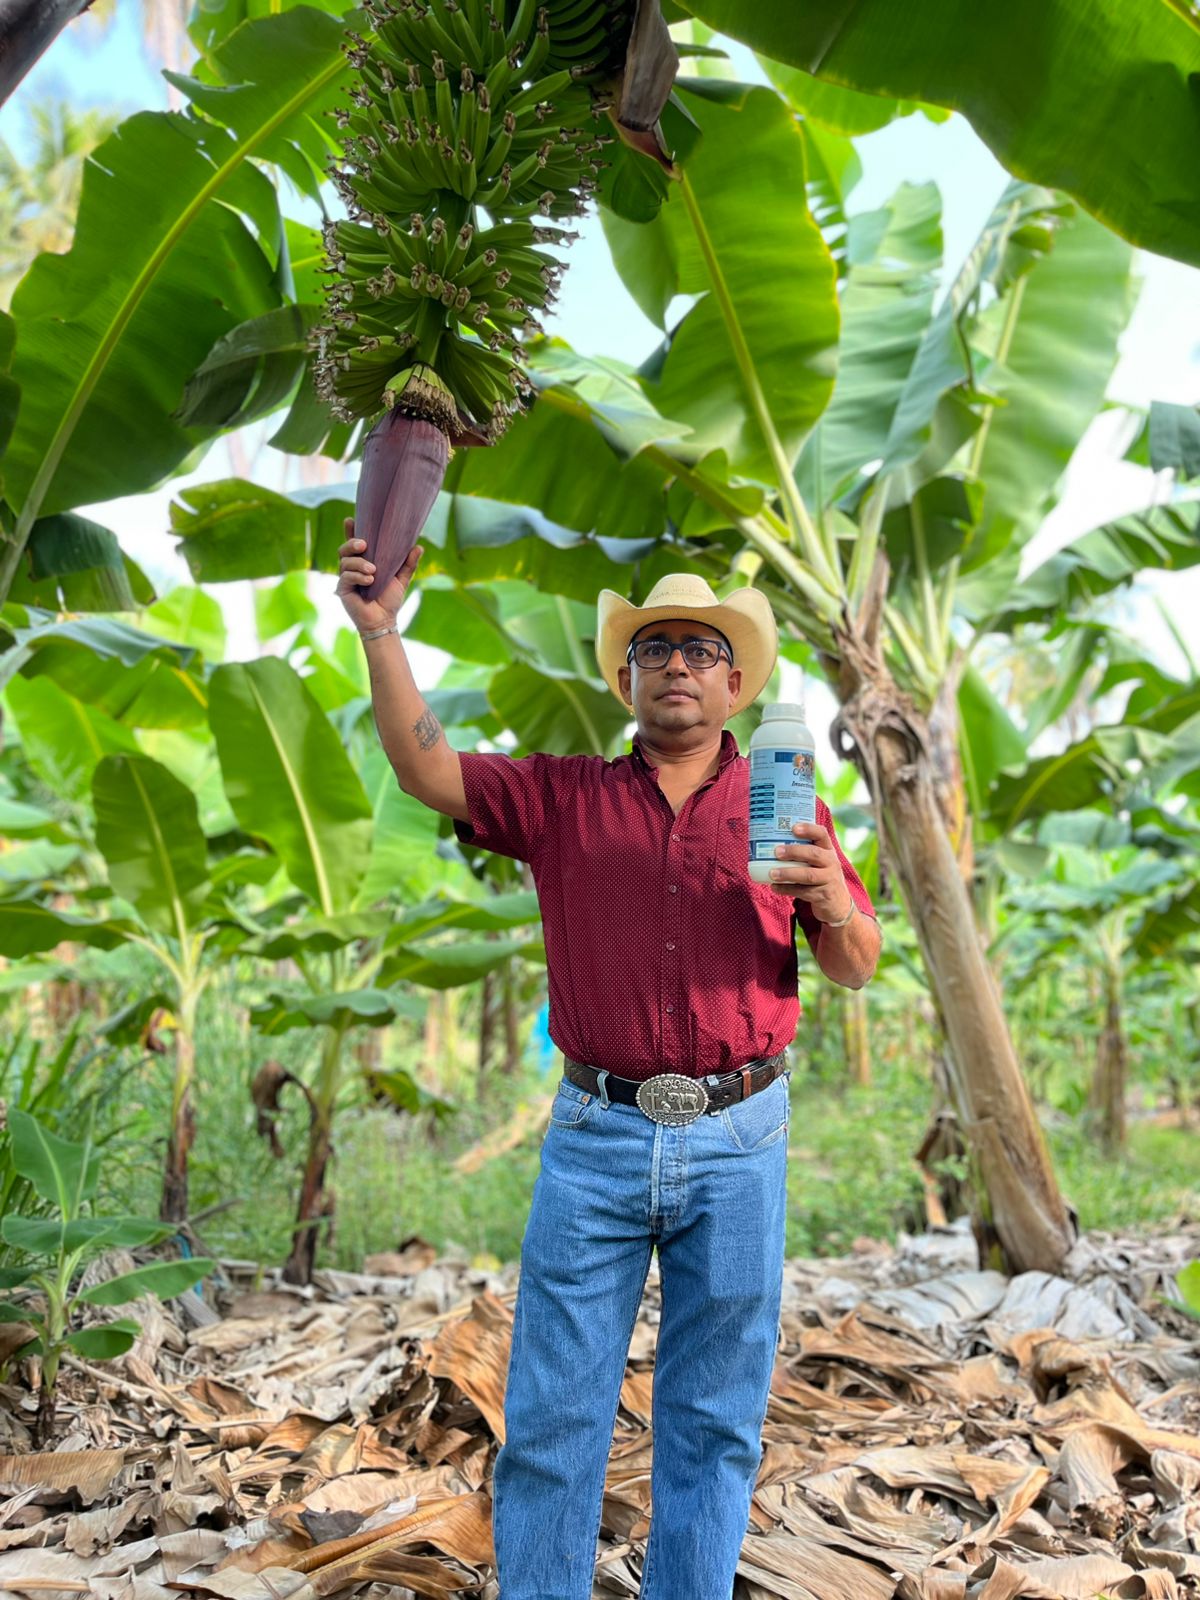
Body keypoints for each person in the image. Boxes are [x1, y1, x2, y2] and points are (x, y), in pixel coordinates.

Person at [336, 522, 881, 1600]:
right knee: (553, 1416)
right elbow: (425, 766)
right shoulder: (561, 797)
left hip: (741, 1134)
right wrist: (379, 629)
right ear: (626, 678)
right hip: (598, 1138)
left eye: (701, 649)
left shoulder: (786, 801)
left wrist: (829, 897)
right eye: (655, 647)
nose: (678, 664)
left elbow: (856, 965)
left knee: (715, 1422)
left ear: (734, 684)